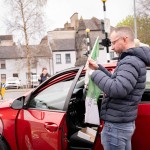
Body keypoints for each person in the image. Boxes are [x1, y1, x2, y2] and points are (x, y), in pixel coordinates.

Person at [88, 26, 150, 150]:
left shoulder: (130, 61)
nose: (112, 47)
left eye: (114, 42)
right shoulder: (133, 60)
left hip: (116, 128)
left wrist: (93, 74)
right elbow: (117, 81)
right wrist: (98, 68)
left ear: (125, 39)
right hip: (121, 124)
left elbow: (117, 89)